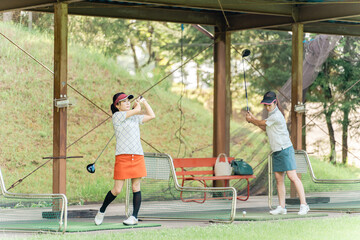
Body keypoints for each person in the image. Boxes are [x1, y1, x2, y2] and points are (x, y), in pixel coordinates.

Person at [94, 92, 155, 226]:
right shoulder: (117, 116)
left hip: (137, 155)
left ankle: (134, 217)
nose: (128, 103)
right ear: (117, 105)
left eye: (128, 101)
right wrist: (137, 106)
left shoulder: (134, 118)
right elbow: (136, 110)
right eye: (124, 101)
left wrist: (144, 102)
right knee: (117, 190)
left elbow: (151, 115)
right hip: (123, 157)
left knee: (136, 187)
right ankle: (102, 210)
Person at [245, 91, 310, 215]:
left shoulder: (277, 116)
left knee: (292, 176)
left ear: (275, 103)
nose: (267, 107)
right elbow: (264, 127)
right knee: (279, 179)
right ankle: (282, 207)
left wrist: (251, 120)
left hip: (285, 149)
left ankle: (304, 205)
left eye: (269, 105)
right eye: (265, 105)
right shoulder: (271, 116)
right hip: (276, 151)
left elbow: (261, 123)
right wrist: (252, 119)